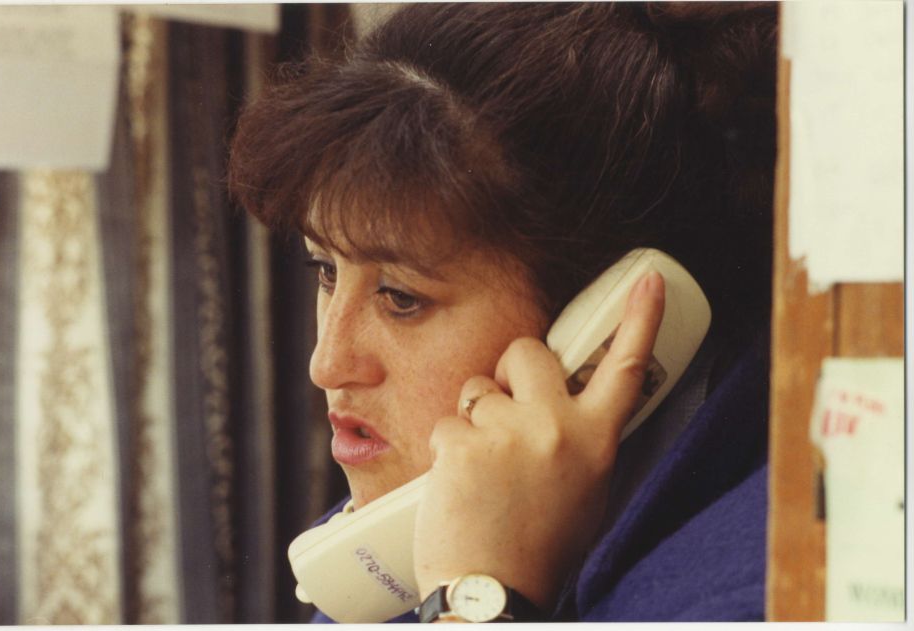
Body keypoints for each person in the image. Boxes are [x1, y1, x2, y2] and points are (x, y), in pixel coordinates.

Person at [228, 2, 776, 622]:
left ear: (610, 330)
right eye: (326, 271)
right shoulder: (421, 511)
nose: (326, 364)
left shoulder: (751, 593)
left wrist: (479, 595)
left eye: (401, 298)